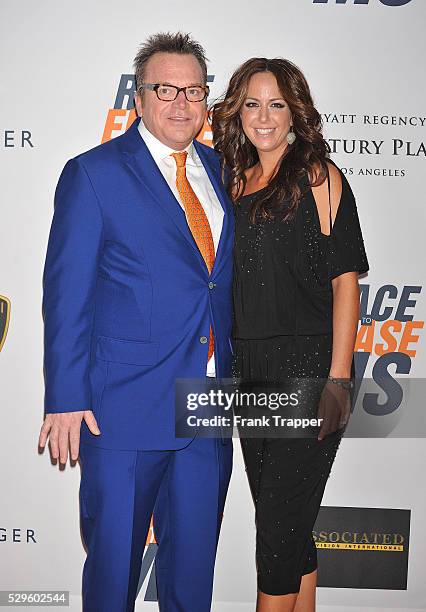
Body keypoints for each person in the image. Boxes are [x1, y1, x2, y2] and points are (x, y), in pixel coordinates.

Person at [39, 32, 234, 612]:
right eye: (165, 89)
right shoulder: (94, 174)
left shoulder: (226, 172)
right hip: (120, 410)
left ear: (207, 100)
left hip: (209, 402)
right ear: (139, 97)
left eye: (194, 90)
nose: (181, 103)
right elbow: (66, 293)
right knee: (113, 573)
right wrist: (66, 396)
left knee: (194, 572)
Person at [212, 58, 369, 611]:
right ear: (237, 111)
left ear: (295, 111)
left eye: (277, 103)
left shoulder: (319, 176)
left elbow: (346, 285)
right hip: (247, 371)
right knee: (288, 527)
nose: (264, 116)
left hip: (308, 370)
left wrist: (339, 381)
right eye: (252, 103)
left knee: (277, 530)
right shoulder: (232, 180)